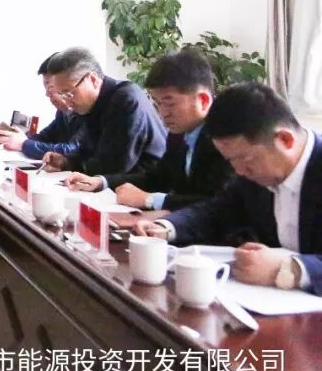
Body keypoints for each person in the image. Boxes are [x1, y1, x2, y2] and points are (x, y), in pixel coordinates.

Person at [134, 82, 322, 294]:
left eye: (245, 159)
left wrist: (293, 269)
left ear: (285, 140)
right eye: (231, 161)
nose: (239, 171)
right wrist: (165, 227)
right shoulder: (256, 173)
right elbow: (217, 211)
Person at [71, 50, 233, 209]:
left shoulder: (226, 136)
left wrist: (150, 200)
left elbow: (218, 204)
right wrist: (101, 182)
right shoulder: (178, 135)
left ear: (203, 100)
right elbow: (157, 178)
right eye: (157, 103)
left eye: (169, 103)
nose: (163, 113)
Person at [39, 47, 166, 184]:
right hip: (115, 185)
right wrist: (65, 161)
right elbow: (87, 152)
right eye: (61, 94)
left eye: (68, 93)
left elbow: (113, 166)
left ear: (93, 79)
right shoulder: (89, 106)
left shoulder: (126, 100)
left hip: (145, 189)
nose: (66, 101)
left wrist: (74, 165)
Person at [0, 53, 85, 159]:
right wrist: (19, 138)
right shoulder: (64, 112)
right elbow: (46, 137)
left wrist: (23, 144)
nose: (47, 94)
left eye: (50, 87)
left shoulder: (87, 111)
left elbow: (72, 150)